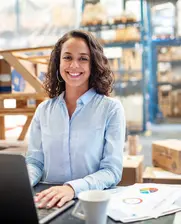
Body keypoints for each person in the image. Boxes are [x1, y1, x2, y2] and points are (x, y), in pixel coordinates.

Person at [26, 30, 125, 209]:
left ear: (93, 64)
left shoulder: (111, 109)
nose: (74, 65)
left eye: (83, 59)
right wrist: (22, 181)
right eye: (68, 57)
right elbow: (35, 162)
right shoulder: (44, 111)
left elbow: (112, 171)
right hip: (49, 200)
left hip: (91, 203)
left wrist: (72, 188)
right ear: (58, 63)